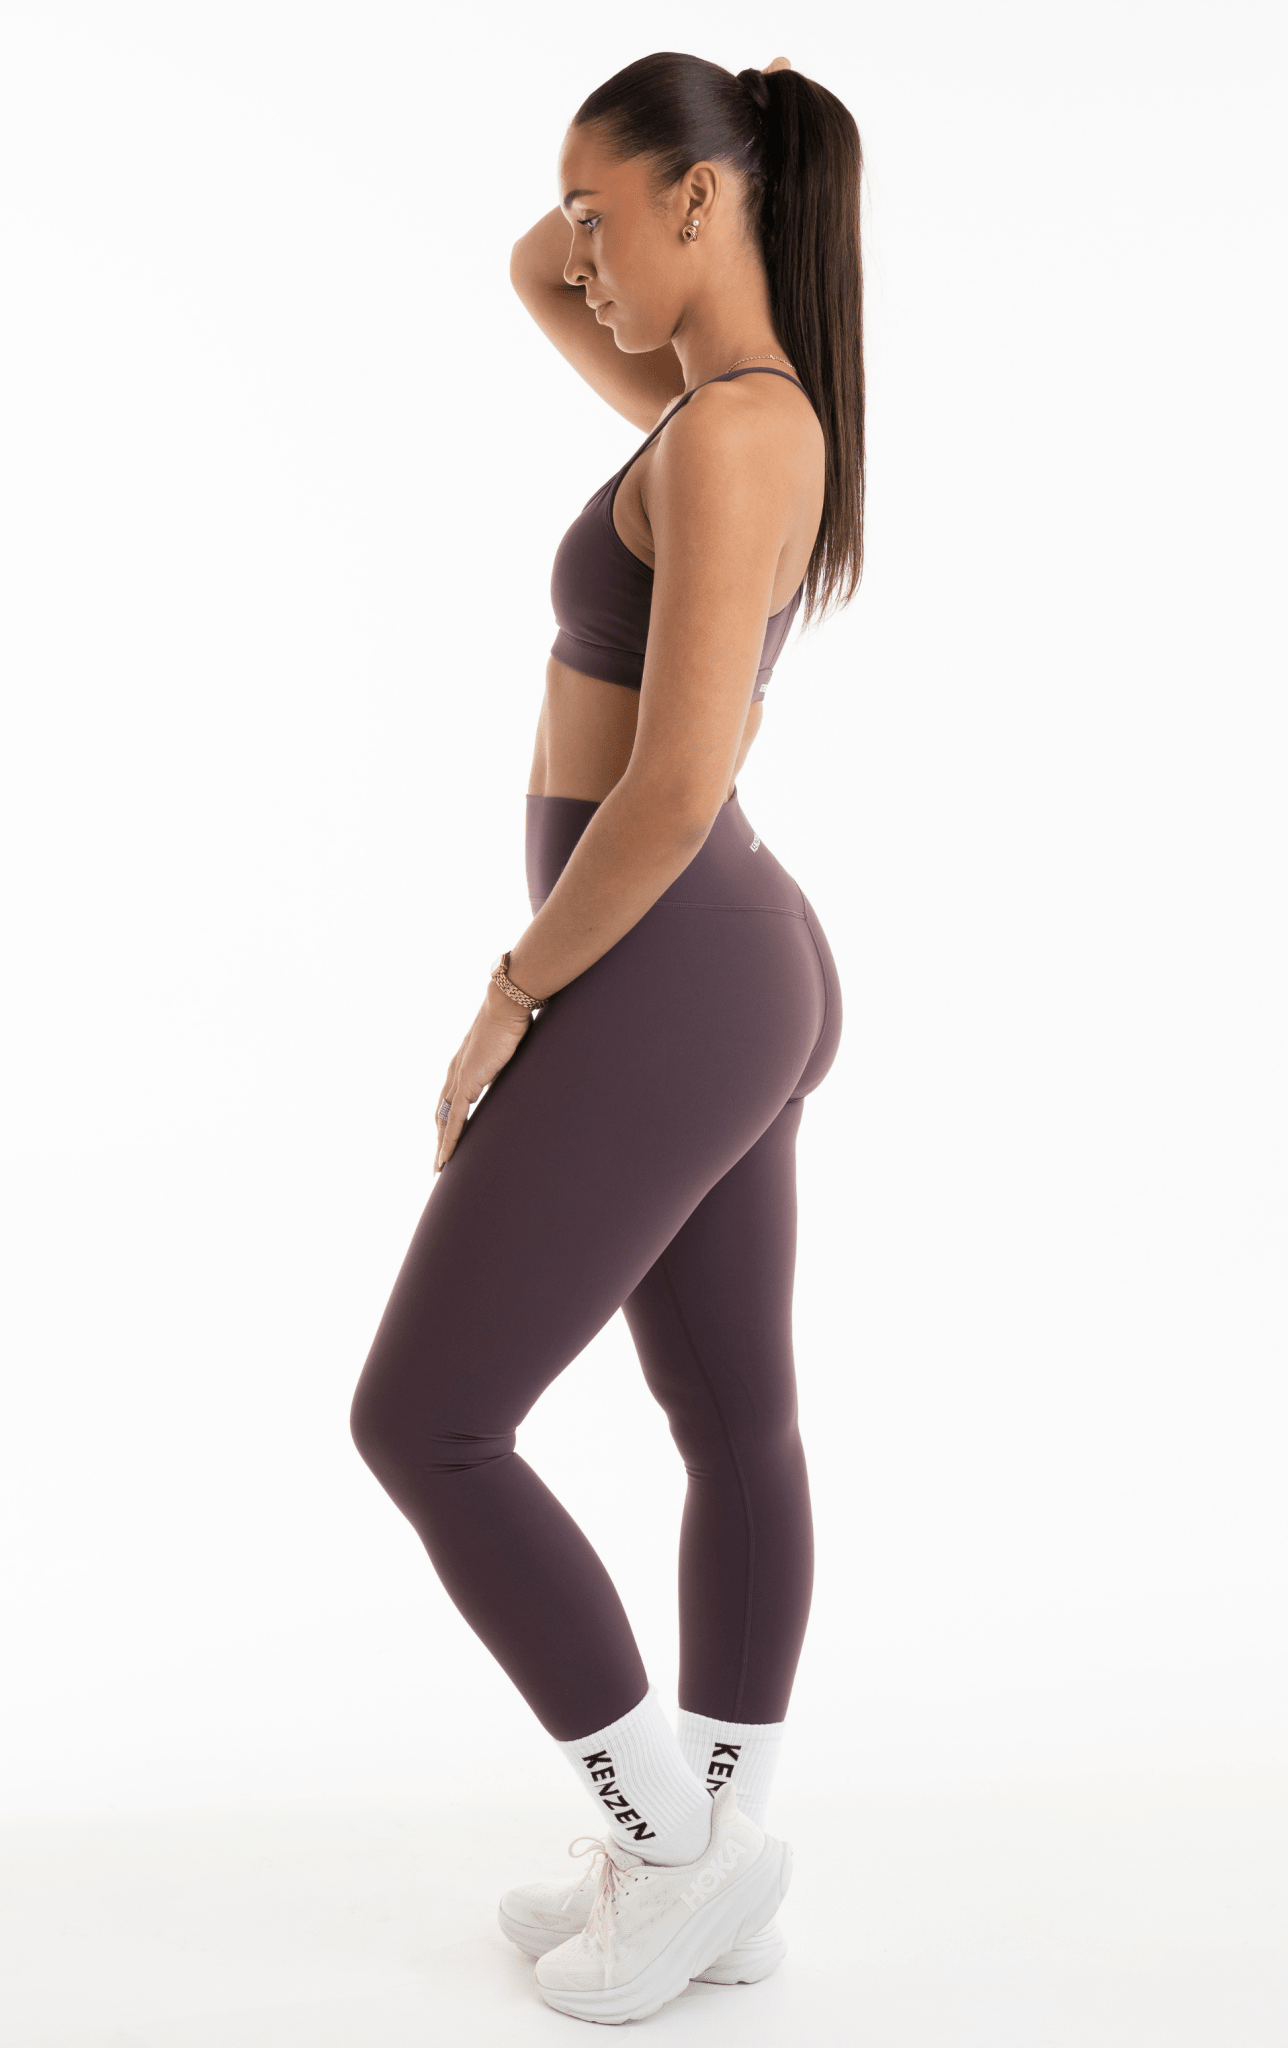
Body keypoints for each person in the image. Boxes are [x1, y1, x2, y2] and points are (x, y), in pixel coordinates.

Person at [349, 48, 864, 2025]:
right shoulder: (721, 407)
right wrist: (651, 173)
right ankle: (705, 1860)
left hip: (670, 955)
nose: (573, 248)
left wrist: (510, 995)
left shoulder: (737, 430)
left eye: (605, 209)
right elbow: (523, 269)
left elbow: (668, 787)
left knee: (427, 1421)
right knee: (731, 1421)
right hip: (715, 958)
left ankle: (671, 1849)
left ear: (702, 201)